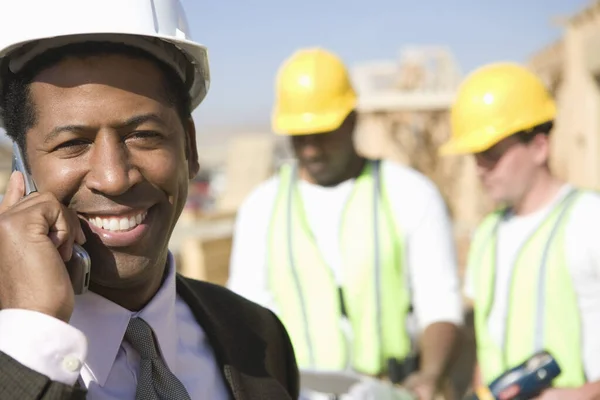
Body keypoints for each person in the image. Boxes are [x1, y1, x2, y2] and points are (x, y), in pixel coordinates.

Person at [0, 1, 299, 399]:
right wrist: (34, 338)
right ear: (21, 171)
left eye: (144, 135)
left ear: (190, 149)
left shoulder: (258, 336)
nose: (114, 177)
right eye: (73, 143)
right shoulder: (15, 355)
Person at [227, 47, 464, 399]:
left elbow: (439, 301)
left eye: (322, 132)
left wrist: (430, 376)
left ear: (352, 120)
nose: (310, 149)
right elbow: (245, 318)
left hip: (390, 389)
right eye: (299, 136)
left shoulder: (409, 193)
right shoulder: (262, 207)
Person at [439, 62, 600, 399]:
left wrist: (576, 396)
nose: (480, 169)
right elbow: (488, 344)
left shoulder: (589, 220)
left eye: (491, 155)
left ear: (539, 147)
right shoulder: (486, 233)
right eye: (475, 156)